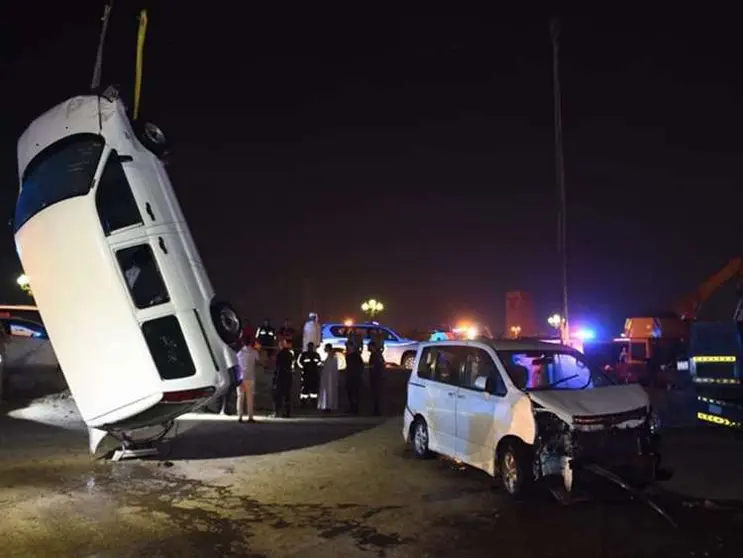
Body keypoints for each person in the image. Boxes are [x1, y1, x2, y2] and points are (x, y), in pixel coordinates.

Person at [236, 337, 260, 423]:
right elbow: (259, 360)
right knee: (250, 398)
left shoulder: (239, 353)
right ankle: (250, 416)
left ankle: (240, 416)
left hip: (241, 378)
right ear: (251, 343)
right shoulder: (254, 352)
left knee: (240, 397)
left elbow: (236, 363)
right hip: (250, 377)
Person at [272, 338, 295, 417]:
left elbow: (277, 366)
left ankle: (277, 412)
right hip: (288, 376)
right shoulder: (290, 354)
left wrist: (275, 377)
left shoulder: (279, 354)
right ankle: (287, 412)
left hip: (280, 376)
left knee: (278, 395)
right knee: (287, 396)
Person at [297, 341, 322, 406]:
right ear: (308, 347)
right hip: (306, 374)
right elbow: (299, 362)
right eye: (309, 346)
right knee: (305, 388)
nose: (310, 347)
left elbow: (319, 362)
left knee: (314, 389)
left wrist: (316, 366)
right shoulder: (303, 354)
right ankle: (303, 402)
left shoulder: (316, 354)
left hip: (314, 374)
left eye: (311, 346)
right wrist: (303, 368)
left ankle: (313, 402)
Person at [318, 343, 339, 412]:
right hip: (327, 377)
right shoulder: (331, 356)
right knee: (327, 391)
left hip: (329, 378)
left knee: (329, 391)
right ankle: (327, 405)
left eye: (325, 348)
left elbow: (331, 368)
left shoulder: (332, 356)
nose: (324, 349)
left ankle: (329, 406)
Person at [345, 343, 364, 414]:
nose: (347, 348)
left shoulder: (356, 356)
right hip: (350, 377)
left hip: (355, 378)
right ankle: (352, 407)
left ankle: (355, 408)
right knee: (350, 393)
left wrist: (357, 374)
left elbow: (360, 366)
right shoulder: (349, 356)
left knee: (355, 393)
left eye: (348, 347)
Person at [367, 340, 384, 416]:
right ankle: (376, 409)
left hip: (375, 377)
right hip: (376, 376)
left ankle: (377, 410)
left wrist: (372, 367)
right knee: (375, 394)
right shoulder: (377, 354)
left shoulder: (375, 355)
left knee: (375, 394)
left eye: (369, 347)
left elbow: (376, 365)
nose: (368, 348)